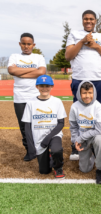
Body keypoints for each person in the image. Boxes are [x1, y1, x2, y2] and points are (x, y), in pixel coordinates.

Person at [65, 10, 101, 160]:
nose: (88, 21)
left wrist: (95, 46)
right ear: (82, 20)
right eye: (86, 19)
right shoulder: (74, 34)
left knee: (100, 113)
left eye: (91, 19)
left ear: (95, 21)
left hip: (99, 79)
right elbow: (68, 56)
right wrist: (82, 41)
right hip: (80, 79)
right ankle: (76, 145)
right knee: (79, 113)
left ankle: (100, 144)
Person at [7, 33, 46, 161]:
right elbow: (11, 71)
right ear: (20, 44)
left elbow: (41, 72)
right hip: (19, 96)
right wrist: (31, 71)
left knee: (37, 124)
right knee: (23, 125)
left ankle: (40, 148)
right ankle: (29, 150)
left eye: (29, 44)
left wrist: (20, 73)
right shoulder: (14, 56)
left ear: (33, 45)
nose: (26, 46)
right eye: (23, 43)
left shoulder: (38, 57)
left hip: (35, 95)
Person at [22, 75, 66, 178]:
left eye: (47, 86)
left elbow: (61, 123)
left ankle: (58, 167)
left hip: (54, 134)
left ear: (52, 86)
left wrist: (48, 138)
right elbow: (27, 126)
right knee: (44, 171)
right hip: (38, 136)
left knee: (56, 149)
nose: (44, 88)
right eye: (41, 86)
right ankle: (49, 157)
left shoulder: (57, 101)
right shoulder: (30, 102)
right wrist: (30, 147)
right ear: (37, 86)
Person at [69, 81, 101, 184]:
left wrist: (80, 138)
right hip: (82, 139)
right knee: (84, 169)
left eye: (90, 92)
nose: (87, 96)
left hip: (94, 136)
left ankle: (99, 168)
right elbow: (73, 127)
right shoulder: (74, 107)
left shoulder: (98, 106)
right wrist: (75, 141)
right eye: (84, 93)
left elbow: (100, 130)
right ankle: (93, 155)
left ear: (94, 92)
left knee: (100, 140)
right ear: (79, 94)